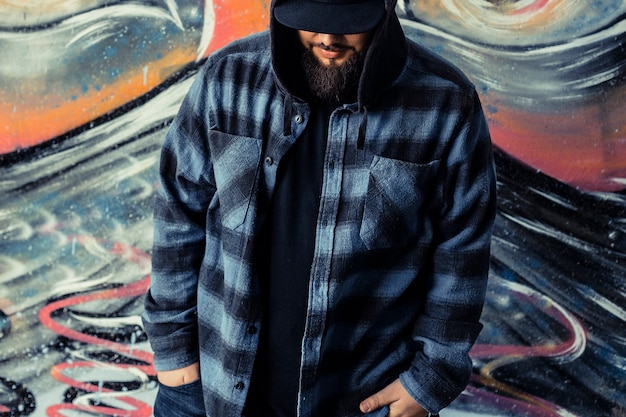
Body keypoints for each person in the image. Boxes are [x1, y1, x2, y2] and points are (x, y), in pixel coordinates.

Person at [141, 0, 497, 415]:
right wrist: (174, 353)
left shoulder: (446, 104)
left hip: (366, 403)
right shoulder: (227, 79)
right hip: (210, 393)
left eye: (348, 21)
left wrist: (431, 379)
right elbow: (177, 214)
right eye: (312, 22)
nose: (328, 38)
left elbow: (463, 252)